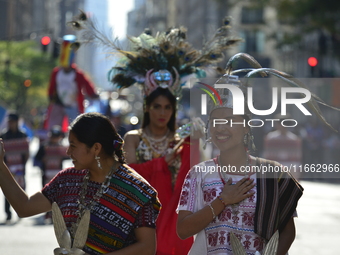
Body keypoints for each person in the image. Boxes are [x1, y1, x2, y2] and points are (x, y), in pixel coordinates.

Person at [177, 60, 305, 255]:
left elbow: (287, 232)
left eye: (230, 121)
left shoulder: (273, 173)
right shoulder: (198, 174)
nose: (221, 128)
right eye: (215, 121)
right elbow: (183, 230)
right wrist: (222, 200)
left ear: (246, 127)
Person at [0, 112, 160, 254]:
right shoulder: (67, 180)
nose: (68, 152)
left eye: (73, 146)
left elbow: (147, 247)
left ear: (96, 148)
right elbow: (24, 207)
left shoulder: (137, 191)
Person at [45, 35, 99, 131]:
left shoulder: (78, 74)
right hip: (58, 103)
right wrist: (50, 96)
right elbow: (52, 86)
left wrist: (93, 93)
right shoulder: (56, 72)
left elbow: (87, 84)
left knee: (76, 127)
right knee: (53, 127)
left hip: (73, 104)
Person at [0, 112, 29, 224]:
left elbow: (26, 152)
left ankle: (22, 211)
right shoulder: (4, 135)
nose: (10, 124)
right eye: (9, 122)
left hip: (20, 168)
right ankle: (8, 214)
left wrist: (23, 165)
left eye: (12, 122)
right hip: (7, 167)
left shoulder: (23, 135)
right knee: (7, 190)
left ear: (17, 122)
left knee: (21, 190)